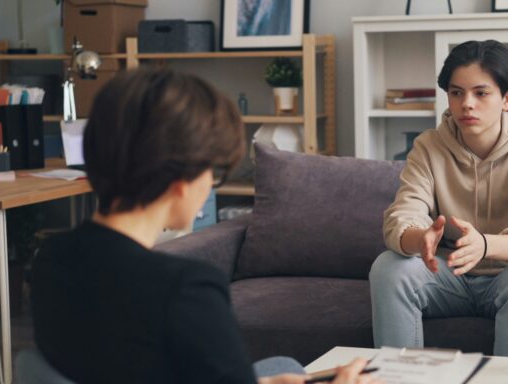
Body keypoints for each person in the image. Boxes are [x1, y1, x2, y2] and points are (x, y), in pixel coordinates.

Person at [31, 69, 375, 384]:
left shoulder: (50, 259)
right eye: (213, 172)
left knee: (280, 367)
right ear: (179, 182)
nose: (211, 183)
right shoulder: (184, 289)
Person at [369, 40, 508, 357]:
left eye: (481, 93)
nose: (467, 103)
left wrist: (485, 244)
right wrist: (419, 239)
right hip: (449, 275)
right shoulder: (429, 146)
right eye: (456, 93)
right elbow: (403, 214)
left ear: (507, 99)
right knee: (389, 268)